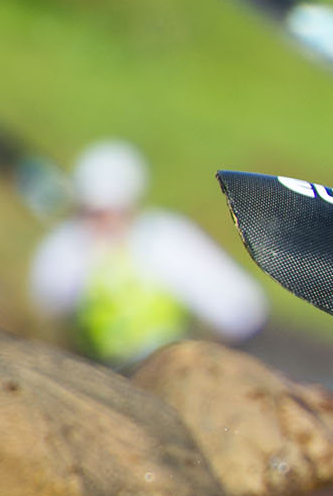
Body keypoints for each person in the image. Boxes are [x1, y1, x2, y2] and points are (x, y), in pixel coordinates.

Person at [27, 140, 267, 368]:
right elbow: (44, 303)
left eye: (113, 213)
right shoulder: (67, 246)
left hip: (170, 369)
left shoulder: (166, 239)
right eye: (95, 214)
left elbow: (240, 306)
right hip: (98, 371)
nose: (105, 224)